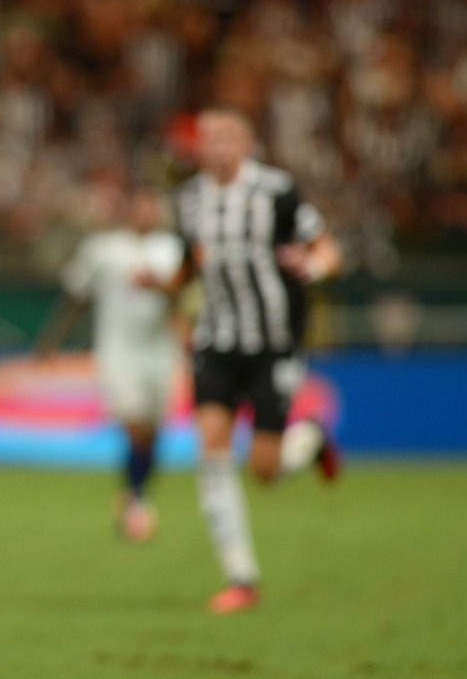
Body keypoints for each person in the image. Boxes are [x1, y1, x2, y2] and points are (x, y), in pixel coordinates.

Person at [140, 109, 343, 613]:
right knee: (211, 452)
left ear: (248, 144)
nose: (218, 148)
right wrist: (160, 287)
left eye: (228, 138)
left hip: (274, 342)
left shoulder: (277, 192)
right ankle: (241, 578)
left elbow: (327, 249)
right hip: (216, 340)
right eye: (210, 139)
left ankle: (309, 439)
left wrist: (313, 267)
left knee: (265, 471)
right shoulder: (189, 199)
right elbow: (189, 267)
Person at [37, 183, 185, 542]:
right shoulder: (102, 249)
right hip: (119, 350)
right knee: (134, 425)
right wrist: (51, 340)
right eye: (140, 205)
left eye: (152, 205)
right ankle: (136, 502)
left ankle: (136, 493)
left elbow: (185, 297)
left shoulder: (172, 249)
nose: (146, 212)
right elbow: (75, 296)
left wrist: (163, 290)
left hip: (161, 350)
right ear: (128, 210)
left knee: (152, 432)